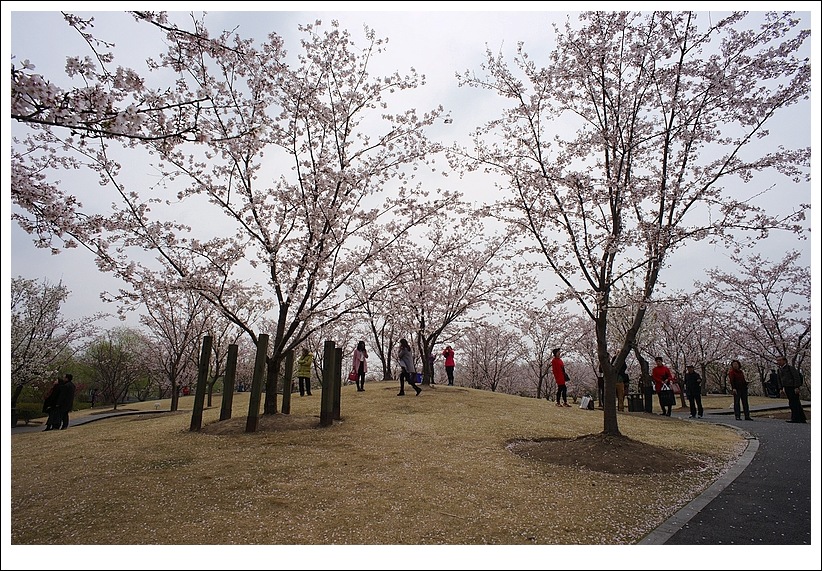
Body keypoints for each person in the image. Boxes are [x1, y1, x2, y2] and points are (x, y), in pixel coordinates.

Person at [776, 355, 806, 423]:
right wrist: (780, 388)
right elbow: (779, 380)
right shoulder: (779, 370)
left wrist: (796, 387)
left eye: (780, 360)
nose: (778, 362)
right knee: (794, 402)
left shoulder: (790, 368)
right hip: (786, 387)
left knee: (794, 402)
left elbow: (796, 377)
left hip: (792, 387)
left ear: (784, 361)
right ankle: (800, 418)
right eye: (777, 360)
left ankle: (796, 418)